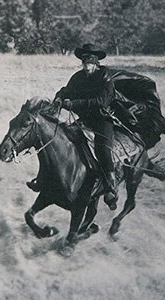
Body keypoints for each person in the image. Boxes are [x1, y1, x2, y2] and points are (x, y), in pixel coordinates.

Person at [27, 43, 120, 207]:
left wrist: (74, 104)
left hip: (102, 120)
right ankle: (46, 179)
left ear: (96, 62)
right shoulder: (78, 77)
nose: (86, 66)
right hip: (84, 119)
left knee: (103, 148)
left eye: (90, 63)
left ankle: (110, 186)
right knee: (62, 142)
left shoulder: (105, 77)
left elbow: (101, 101)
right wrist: (59, 97)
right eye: (84, 63)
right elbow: (66, 90)